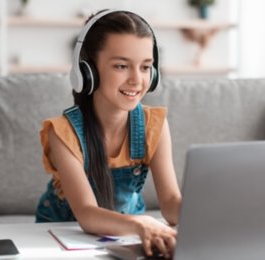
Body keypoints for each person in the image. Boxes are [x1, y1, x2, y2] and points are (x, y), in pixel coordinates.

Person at [35, 9, 181, 258]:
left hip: (126, 234)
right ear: (87, 72)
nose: (137, 80)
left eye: (146, 67)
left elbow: (170, 204)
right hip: (61, 237)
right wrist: (141, 223)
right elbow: (87, 213)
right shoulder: (63, 132)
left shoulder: (153, 124)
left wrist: (212, 216)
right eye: (122, 66)